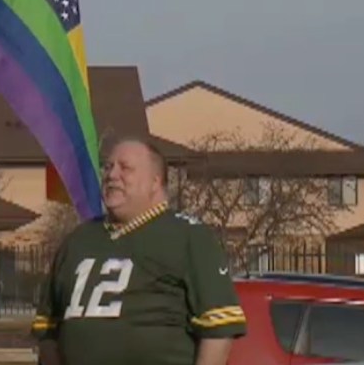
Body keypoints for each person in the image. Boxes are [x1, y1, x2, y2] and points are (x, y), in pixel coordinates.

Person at [32, 137, 246, 365]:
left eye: (125, 168)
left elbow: (218, 331)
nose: (112, 175)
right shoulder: (77, 241)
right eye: (108, 167)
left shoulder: (188, 237)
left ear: (155, 181)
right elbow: (47, 329)